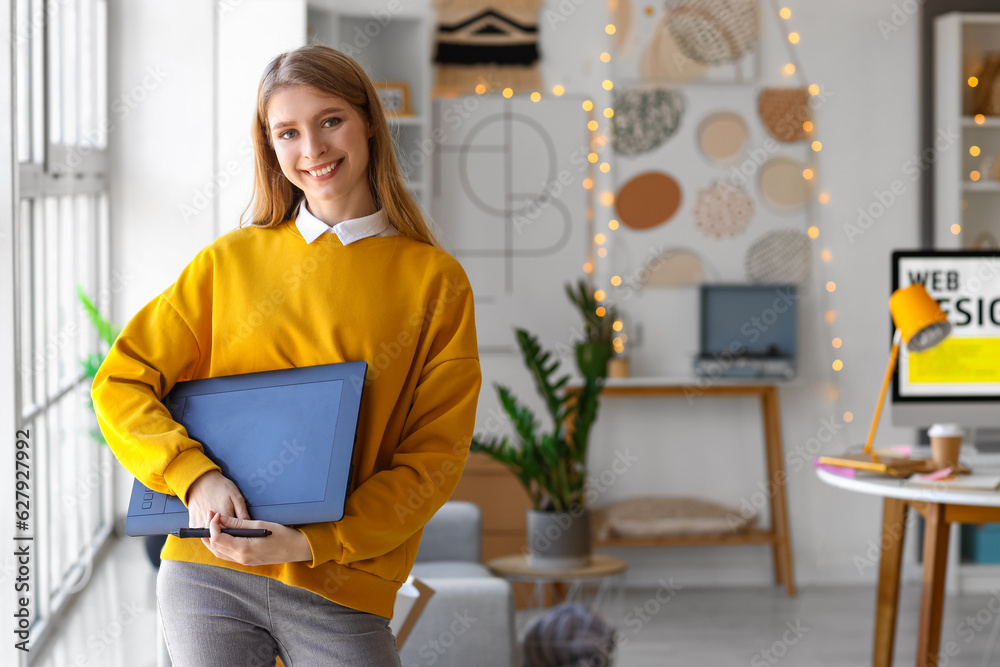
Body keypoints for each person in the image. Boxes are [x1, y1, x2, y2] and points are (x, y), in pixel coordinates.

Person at [91, 44, 481, 666]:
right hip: (207, 574)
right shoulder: (228, 263)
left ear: (369, 123)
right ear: (270, 147)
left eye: (330, 121)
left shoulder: (435, 281)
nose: (313, 150)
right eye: (288, 132)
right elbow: (119, 382)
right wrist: (196, 477)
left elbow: (434, 459)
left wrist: (314, 542)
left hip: (342, 583)